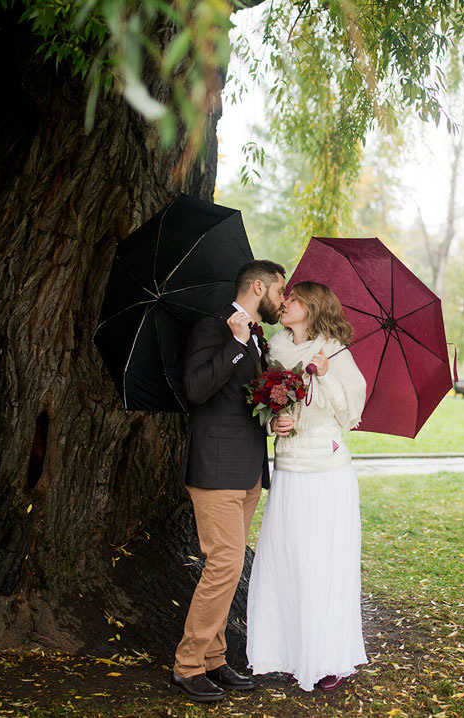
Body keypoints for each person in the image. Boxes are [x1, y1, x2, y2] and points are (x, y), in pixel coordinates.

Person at [170, 259, 293, 703]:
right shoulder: (214, 328)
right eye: (281, 290)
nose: (285, 299)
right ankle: (188, 665)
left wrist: (274, 416)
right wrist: (237, 344)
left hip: (246, 471)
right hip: (215, 467)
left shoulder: (260, 339)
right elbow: (197, 389)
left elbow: (244, 402)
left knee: (229, 565)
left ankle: (214, 660)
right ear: (258, 287)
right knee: (225, 565)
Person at [246, 281, 368, 692]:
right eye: (286, 298)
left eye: (293, 299)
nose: (285, 303)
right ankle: (286, 651)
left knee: (323, 564)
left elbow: (352, 412)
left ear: (312, 308)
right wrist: (273, 421)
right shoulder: (276, 350)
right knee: (288, 562)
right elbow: (263, 404)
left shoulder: (335, 351)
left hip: (327, 471)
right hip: (290, 471)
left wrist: (328, 375)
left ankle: (328, 655)